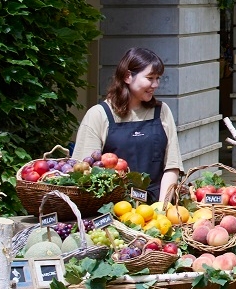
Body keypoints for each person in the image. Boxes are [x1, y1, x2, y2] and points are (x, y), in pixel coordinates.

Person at [74, 48, 182, 203]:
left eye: (158, 78)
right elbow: (84, 172)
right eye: (150, 78)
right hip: (113, 207)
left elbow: (172, 166)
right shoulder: (98, 115)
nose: (155, 84)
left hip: (156, 208)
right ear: (127, 76)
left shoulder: (162, 111)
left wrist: (162, 208)